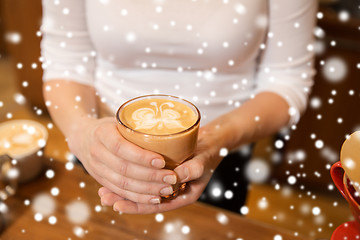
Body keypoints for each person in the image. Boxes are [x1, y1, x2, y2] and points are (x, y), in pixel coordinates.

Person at [40, 0, 317, 214]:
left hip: (222, 153)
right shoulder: (95, 145)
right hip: (104, 152)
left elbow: (287, 80)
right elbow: (65, 60)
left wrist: (215, 140)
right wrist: (81, 131)